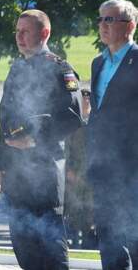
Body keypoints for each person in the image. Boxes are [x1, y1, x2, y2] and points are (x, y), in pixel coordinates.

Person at [0, 10, 83, 270]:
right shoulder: (17, 67)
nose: (19, 37)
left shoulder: (60, 69)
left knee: (49, 250)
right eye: (17, 31)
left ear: (44, 34)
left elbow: (73, 118)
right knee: (23, 248)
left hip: (44, 173)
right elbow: (4, 120)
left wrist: (33, 140)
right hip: (16, 174)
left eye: (25, 31)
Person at [87, 0, 138, 270]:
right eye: (100, 20)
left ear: (130, 26)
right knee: (109, 238)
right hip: (103, 167)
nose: (102, 26)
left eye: (109, 20)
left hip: (132, 168)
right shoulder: (98, 63)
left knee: (135, 237)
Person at [63, 89, 96, 249]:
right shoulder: (73, 124)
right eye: (83, 98)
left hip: (91, 173)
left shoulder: (96, 123)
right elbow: (66, 149)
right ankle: (73, 237)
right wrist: (68, 170)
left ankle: (89, 238)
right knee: (74, 207)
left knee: (90, 207)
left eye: (89, 98)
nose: (86, 101)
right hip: (74, 172)